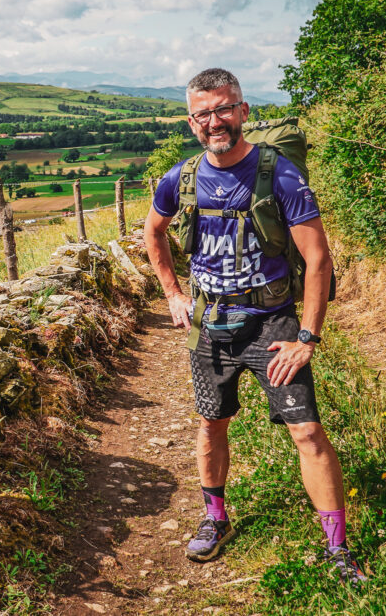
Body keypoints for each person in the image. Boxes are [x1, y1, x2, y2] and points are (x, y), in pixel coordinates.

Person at [142, 68, 367, 584]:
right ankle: (215, 519)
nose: (214, 121)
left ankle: (337, 548)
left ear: (243, 111)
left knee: (307, 432)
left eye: (224, 109)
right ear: (191, 121)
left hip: (272, 325)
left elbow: (318, 259)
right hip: (211, 327)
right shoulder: (182, 177)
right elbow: (153, 233)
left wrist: (307, 337)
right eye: (203, 114)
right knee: (210, 424)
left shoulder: (281, 174)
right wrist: (173, 295)